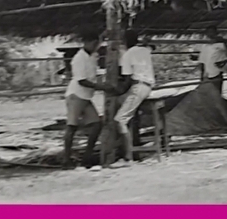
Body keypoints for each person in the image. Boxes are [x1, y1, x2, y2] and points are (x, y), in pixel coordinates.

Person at [62, 31, 109, 169]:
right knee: (72, 126)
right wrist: (100, 87)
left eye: (97, 43)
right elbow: (81, 80)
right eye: (94, 43)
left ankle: (87, 157)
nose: (96, 46)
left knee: (96, 124)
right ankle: (66, 159)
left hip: (86, 96)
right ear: (87, 43)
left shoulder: (93, 56)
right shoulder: (78, 58)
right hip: (76, 95)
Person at [111, 30, 156, 166]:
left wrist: (116, 90)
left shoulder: (127, 54)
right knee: (121, 105)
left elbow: (127, 79)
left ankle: (128, 157)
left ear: (124, 41)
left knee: (119, 120)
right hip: (147, 86)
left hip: (138, 87)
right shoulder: (145, 50)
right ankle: (129, 146)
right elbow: (151, 47)